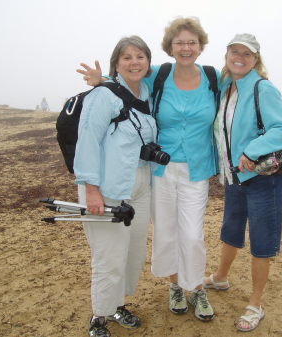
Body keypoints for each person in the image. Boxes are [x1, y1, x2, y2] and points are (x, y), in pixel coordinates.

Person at [77, 17, 218, 321]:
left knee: (190, 235)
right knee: (164, 233)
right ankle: (173, 287)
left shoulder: (212, 77)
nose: (185, 47)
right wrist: (103, 80)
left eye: (191, 42)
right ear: (170, 46)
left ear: (200, 45)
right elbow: (124, 83)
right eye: (179, 42)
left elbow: (132, 81)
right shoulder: (161, 76)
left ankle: (195, 287)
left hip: (192, 168)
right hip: (157, 173)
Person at [203, 34, 282, 332]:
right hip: (234, 177)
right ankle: (220, 278)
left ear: (255, 59)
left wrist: (250, 151)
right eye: (235, 51)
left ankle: (255, 304)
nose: (239, 57)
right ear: (227, 54)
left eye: (247, 53)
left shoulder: (262, 88)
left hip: (261, 178)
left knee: (262, 239)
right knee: (230, 229)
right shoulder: (226, 87)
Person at [74, 36, 157, 337]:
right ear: (116, 62)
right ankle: (100, 316)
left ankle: (117, 304)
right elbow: (87, 143)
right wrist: (91, 190)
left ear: (148, 62)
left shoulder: (146, 92)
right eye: (127, 57)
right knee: (108, 254)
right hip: (106, 187)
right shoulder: (102, 96)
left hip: (141, 185)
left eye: (140, 56)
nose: (134, 62)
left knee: (132, 253)